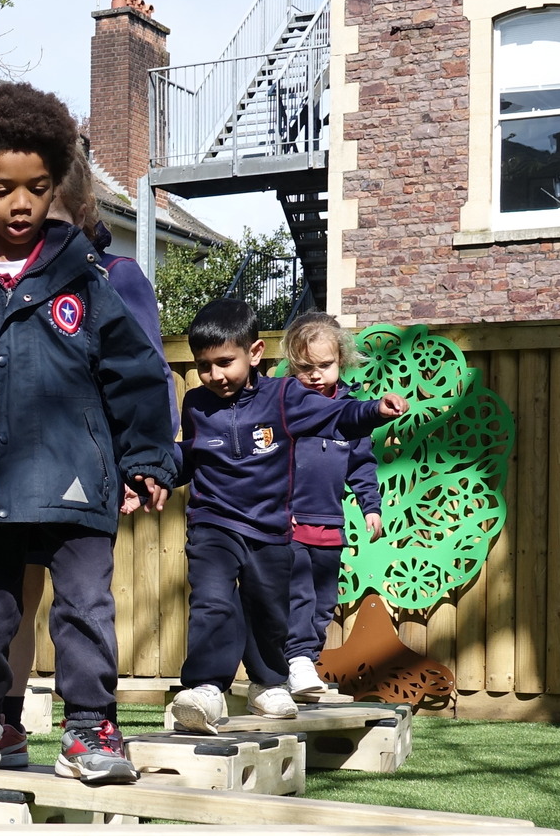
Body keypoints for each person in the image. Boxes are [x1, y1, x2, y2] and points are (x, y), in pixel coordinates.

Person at [0, 82, 177, 784]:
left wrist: (148, 459)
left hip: (78, 477)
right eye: (1, 189)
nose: (20, 204)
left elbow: (133, 372)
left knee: (84, 608)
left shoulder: (84, 277)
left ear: (54, 185)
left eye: (37, 188)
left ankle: (89, 730)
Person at [168, 300, 405, 734]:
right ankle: (206, 687)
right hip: (212, 520)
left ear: (255, 353)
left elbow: (337, 415)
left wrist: (374, 410)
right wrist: (155, 473)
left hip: (270, 527)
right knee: (212, 601)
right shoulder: (197, 404)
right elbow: (192, 455)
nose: (215, 375)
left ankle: (267, 682)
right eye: (204, 367)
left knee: (267, 607)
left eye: (225, 362)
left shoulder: (284, 397)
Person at [271, 312, 382, 701]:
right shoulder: (285, 406)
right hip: (292, 524)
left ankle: (305, 664)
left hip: (330, 525)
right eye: (305, 367)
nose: (316, 375)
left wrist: (371, 506)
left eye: (325, 365)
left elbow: (362, 463)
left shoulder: (350, 411)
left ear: (342, 362)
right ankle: (296, 660)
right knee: (297, 596)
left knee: (324, 601)